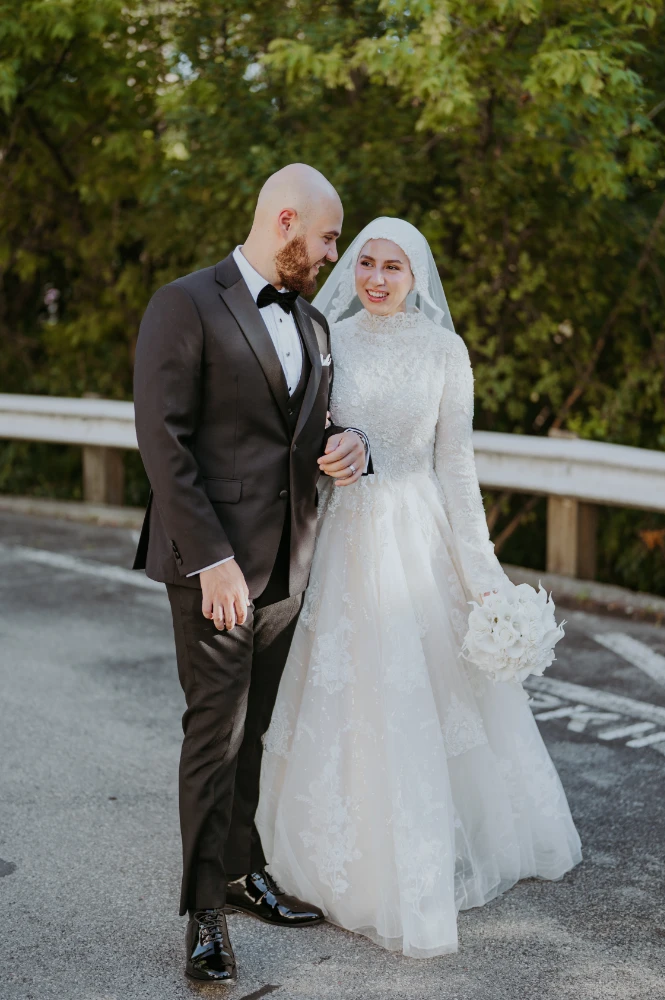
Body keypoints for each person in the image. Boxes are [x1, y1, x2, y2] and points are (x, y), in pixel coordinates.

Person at [256, 217, 582, 959]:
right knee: (344, 693)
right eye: (365, 262)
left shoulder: (444, 351)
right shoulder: (326, 338)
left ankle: (424, 853)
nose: (375, 278)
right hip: (340, 536)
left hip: (417, 536)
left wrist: (484, 577)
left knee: (426, 696)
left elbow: (455, 467)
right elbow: (299, 438)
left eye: (392, 267)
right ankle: (336, 854)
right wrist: (331, 453)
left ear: (416, 276)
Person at [132, 164, 370, 984]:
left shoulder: (315, 323)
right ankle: (204, 911)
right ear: (286, 221)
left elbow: (306, 428)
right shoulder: (184, 304)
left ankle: (242, 871)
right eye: (329, 238)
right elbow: (163, 442)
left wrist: (351, 444)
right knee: (215, 735)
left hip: (287, 563)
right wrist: (211, 560)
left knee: (256, 729)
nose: (334, 255)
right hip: (215, 568)